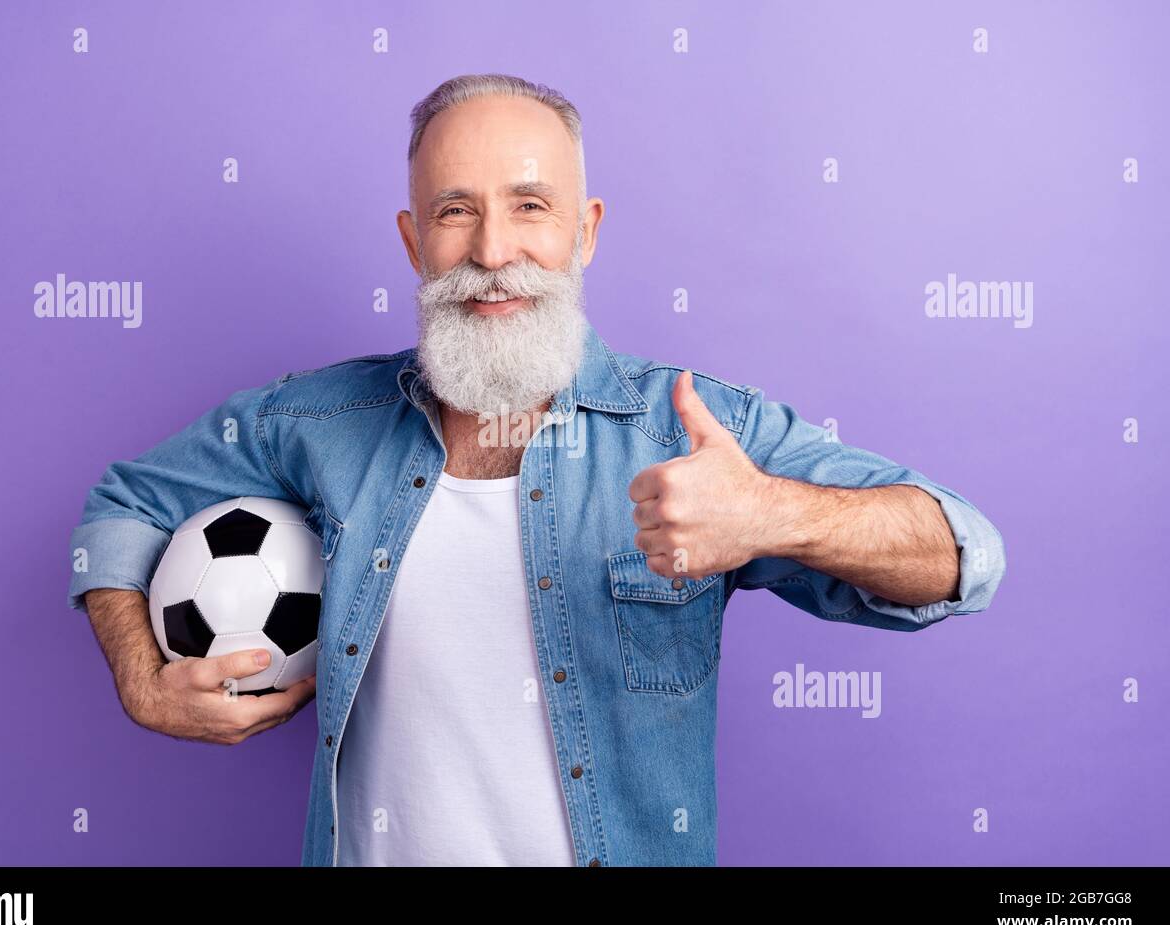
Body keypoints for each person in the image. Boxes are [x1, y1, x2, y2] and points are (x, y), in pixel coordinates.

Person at [67, 73, 1005, 866]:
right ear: (411, 241)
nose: (492, 252)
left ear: (586, 230)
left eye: (530, 207)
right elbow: (127, 502)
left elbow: (964, 557)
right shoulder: (320, 423)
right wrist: (141, 679)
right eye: (455, 212)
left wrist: (775, 516)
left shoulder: (693, 429)